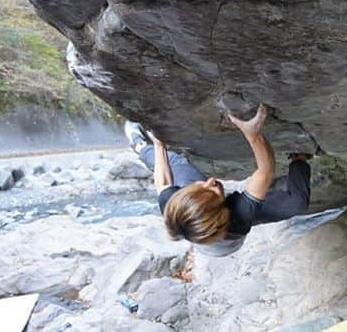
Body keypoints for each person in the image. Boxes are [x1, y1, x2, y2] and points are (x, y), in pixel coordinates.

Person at [124, 104, 312, 257]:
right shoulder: (238, 216)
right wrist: (253, 135)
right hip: (226, 237)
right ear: (224, 209)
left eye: (203, 186)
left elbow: (163, 180)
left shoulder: (173, 206)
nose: (211, 181)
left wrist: (158, 144)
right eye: (214, 191)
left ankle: (139, 146)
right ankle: (299, 158)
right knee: (298, 203)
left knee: (176, 163)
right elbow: (265, 172)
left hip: (206, 220)